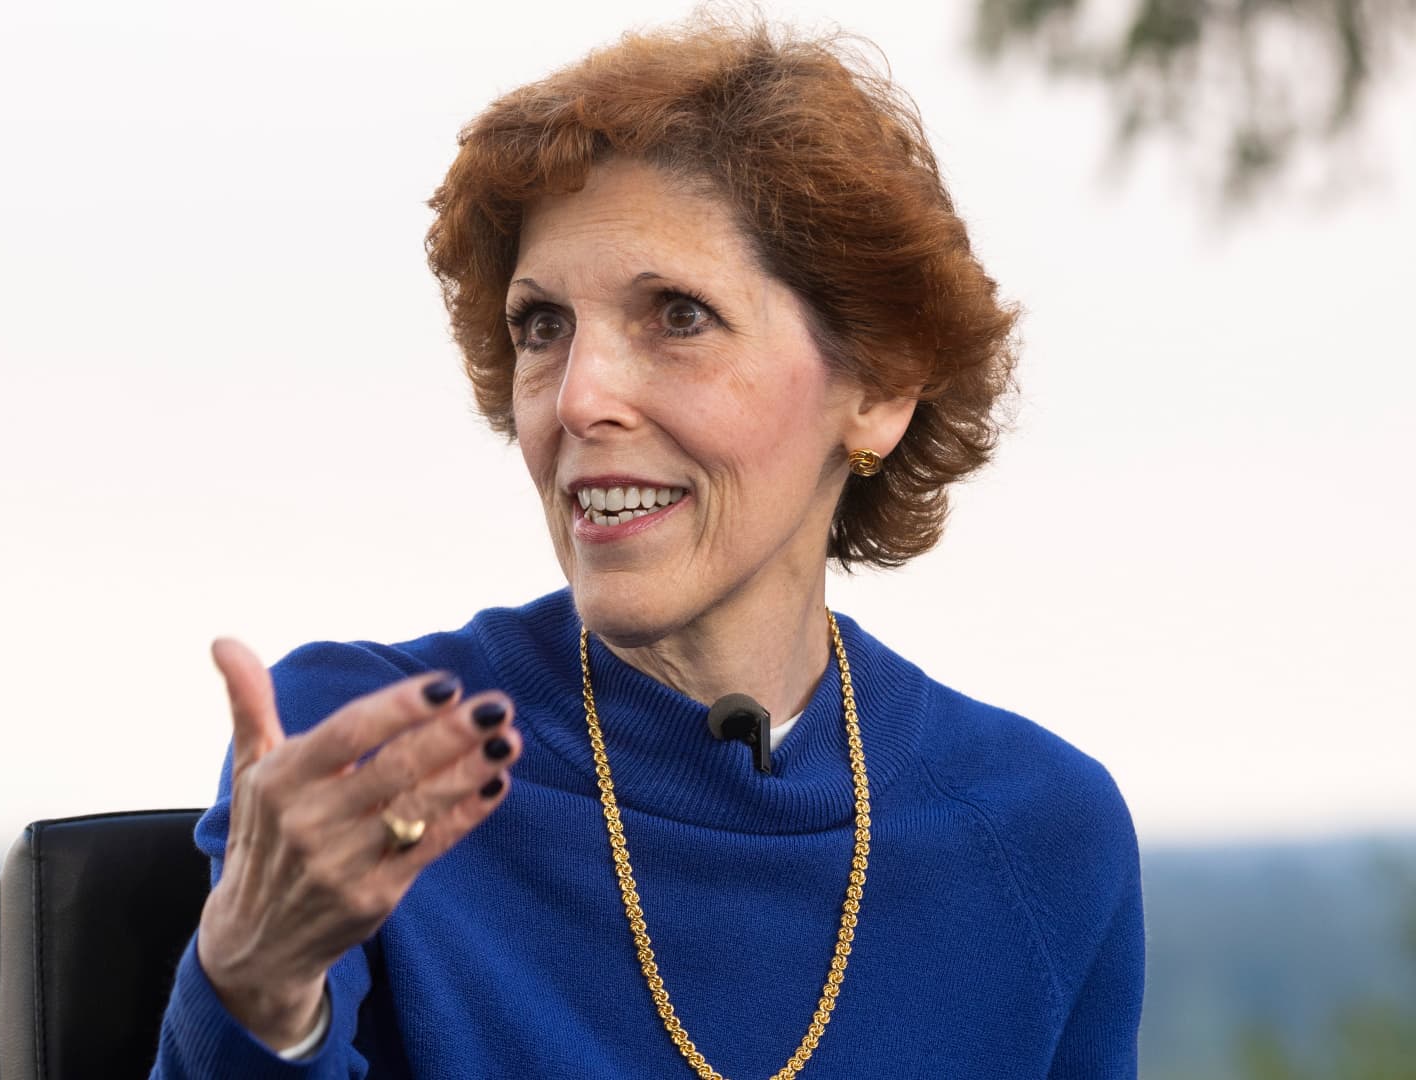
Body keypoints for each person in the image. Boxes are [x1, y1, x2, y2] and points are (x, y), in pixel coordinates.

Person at [150, 14, 1144, 1079]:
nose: (578, 400)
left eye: (677, 316)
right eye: (541, 327)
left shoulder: (1044, 836)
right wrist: (257, 994)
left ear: (881, 386)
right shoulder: (361, 756)